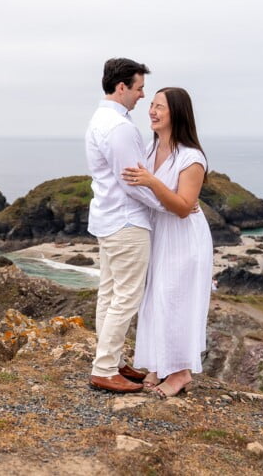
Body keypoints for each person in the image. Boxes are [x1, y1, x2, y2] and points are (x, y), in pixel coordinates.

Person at [121, 87, 213, 398]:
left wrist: (152, 182)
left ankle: (181, 373)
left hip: (183, 239)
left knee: (174, 301)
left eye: (160, 106)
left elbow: (184, 207)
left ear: (177, 113)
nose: (152, 111)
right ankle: (159, 364)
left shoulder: (192, 158)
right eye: (152, 105)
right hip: (159, 234)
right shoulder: (150, 149)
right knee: (154, 300)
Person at [85, 58, 168, 394]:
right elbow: (133, 182)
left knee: (110, 293)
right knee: (126, 297)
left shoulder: (100, 119)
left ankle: (112, 361)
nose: (143, 95)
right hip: (126, 221)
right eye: (139, 87)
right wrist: (168, 205)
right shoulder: (120, 128)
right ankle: (104, 368)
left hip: (108, 219)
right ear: (122, 87)